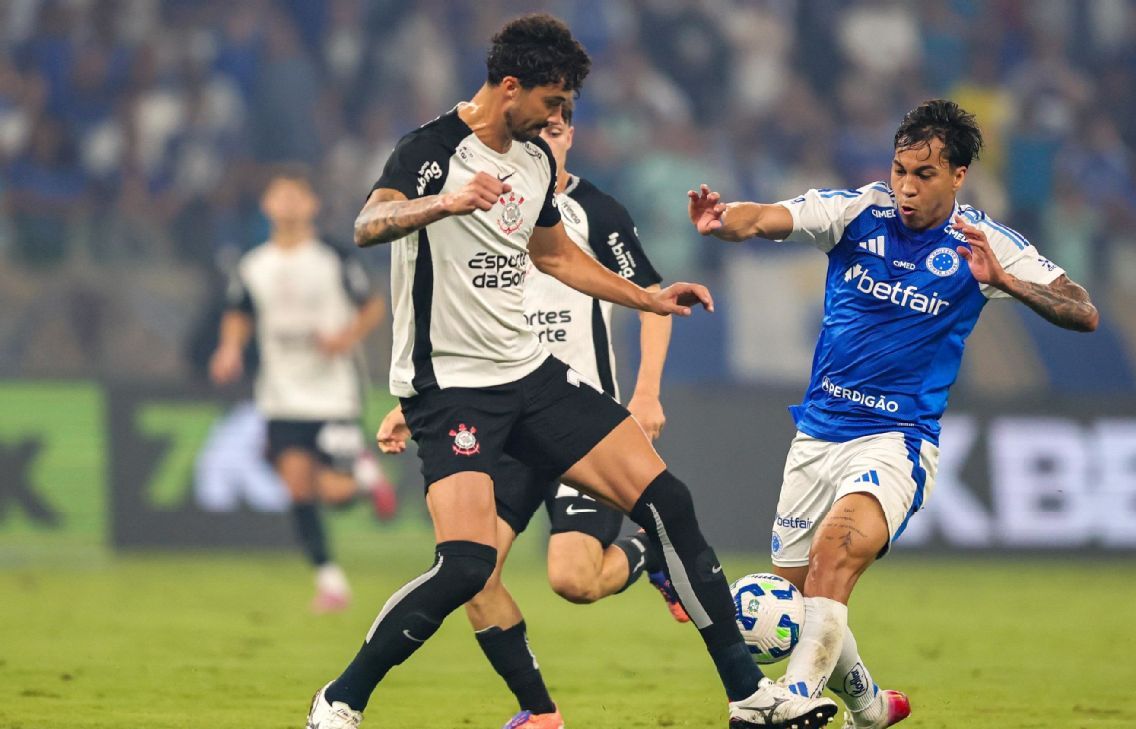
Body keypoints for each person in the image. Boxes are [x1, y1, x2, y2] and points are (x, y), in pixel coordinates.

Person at [304, 14, 836, 729]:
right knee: (466, 566)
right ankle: (340, 700)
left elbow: (555, 256)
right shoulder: (431, 151)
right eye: (553, 104)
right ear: (511, 86)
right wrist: (446, 202)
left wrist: (645, 294)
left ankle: (749, 697)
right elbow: (368, 225)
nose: (561, 119)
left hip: (532, 378)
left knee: (668, 499)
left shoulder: (531, 164)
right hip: (451, 389)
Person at [686, 99, 1099, 728]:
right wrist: (725, 220)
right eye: (901, 169)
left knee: (834, 556)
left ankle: (790, 704)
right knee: (800, 604)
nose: (906, 186)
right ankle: (871, 708)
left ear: (959, 176)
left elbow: (1082, 309)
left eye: (924, 175)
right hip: (816, 437)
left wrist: (1007, 283)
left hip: (896, 441)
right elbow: (772, 217)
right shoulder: (858, 212)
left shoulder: (983, 243)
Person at [449, 105, 687, 729]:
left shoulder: (597, 213)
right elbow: (456, 310)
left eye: (556, 132)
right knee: (472, 576)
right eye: (536, 133)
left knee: (574, 581)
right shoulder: (486, 207)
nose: (546, 143)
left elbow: (655, 303)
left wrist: (647, 393)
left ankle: (646, 552)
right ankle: (540, 712)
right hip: (508, 419)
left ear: (572, 136)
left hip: (583, 427)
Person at [210, 170, 396, 613]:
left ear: (312, 205)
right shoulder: (253, 263)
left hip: (332, 390)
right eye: (281, 195)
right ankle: (330, 582)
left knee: (334, 492)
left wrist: (345, 338)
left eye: (298, 195)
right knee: (297, 488)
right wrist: (230, 348)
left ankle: (363, 473)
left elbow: (372, 306)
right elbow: (239, 312)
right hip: (282, 392)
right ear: (267, 205)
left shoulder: (332, 255)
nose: (290, 203)